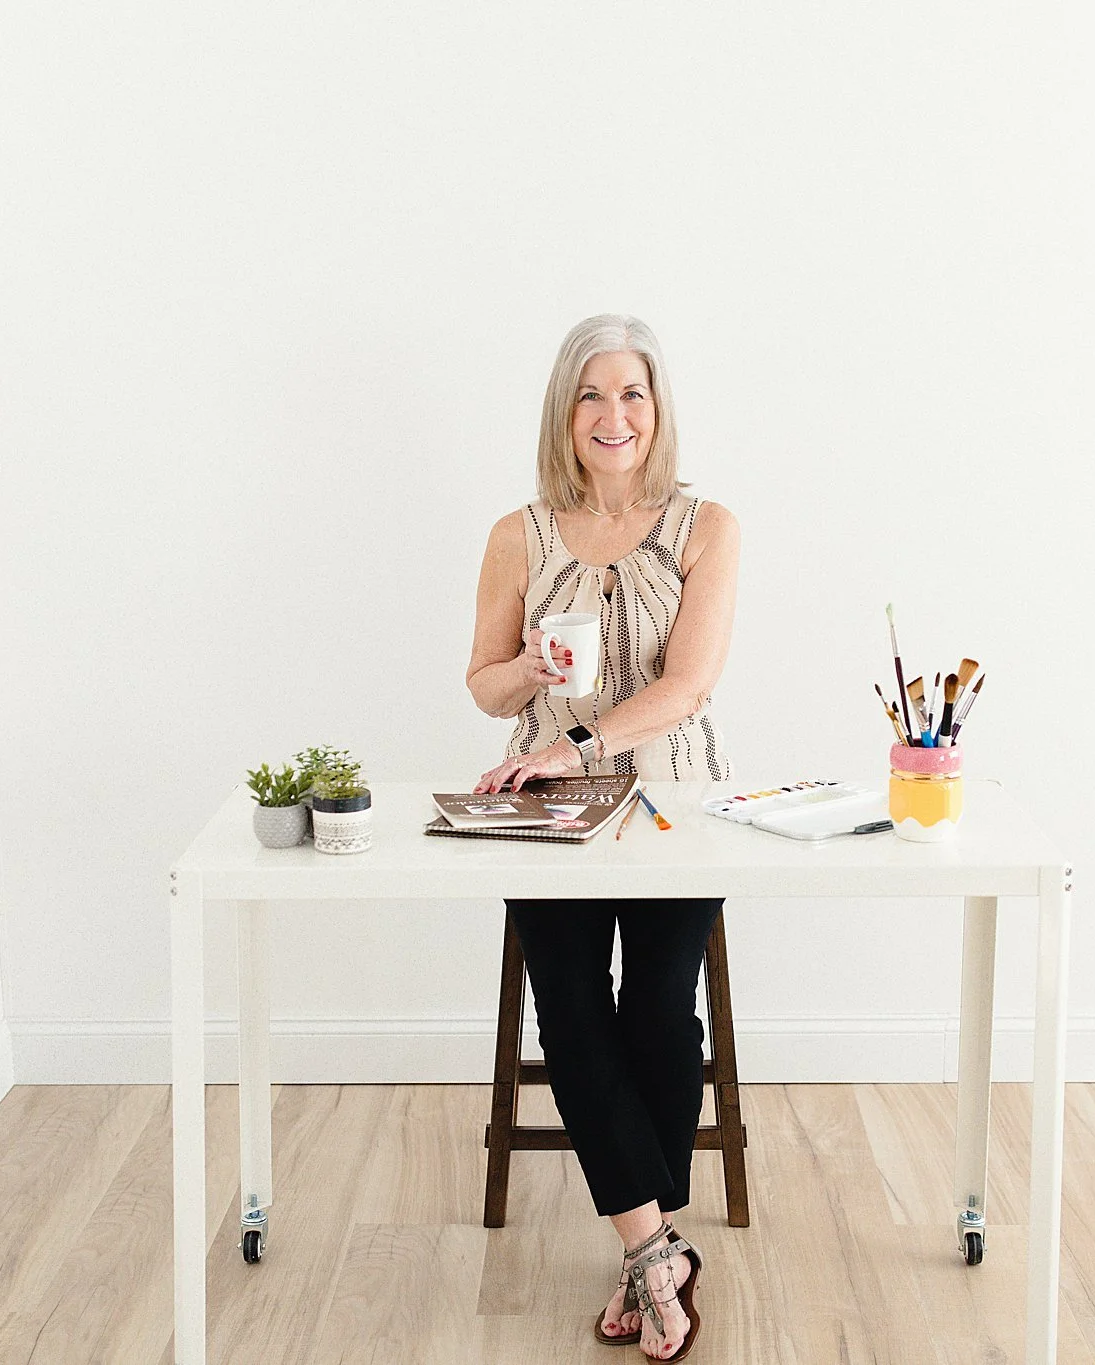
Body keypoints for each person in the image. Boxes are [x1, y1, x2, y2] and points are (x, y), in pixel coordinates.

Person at [465, 313, 739, 1362]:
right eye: (590, 396)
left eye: (630, 394)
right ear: (563, 414)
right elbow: (484, 685)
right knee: (572, 1013)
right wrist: (529, 678)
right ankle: (652, 1248)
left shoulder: (706, 525)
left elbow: (688, 685)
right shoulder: (516, 535)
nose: (612, 415)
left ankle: (643, 1254)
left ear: (656, 408)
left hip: (672, 804)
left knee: (658, 1011)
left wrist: (580, 744)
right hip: (544, 808)